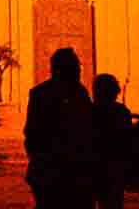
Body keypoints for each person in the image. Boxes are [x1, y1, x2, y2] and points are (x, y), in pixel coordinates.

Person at [24, 47, 96, 208]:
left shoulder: (41, 93)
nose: (80, 70)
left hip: (56, 171)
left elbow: (31, 133)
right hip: (62, 172)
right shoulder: (78, 93)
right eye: (76, 66)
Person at [93, 73, 133, 209]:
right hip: (115, 168)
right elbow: (128, 142)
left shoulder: (89, 111)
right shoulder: (122, 112)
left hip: (96, 168)